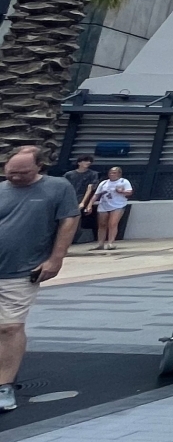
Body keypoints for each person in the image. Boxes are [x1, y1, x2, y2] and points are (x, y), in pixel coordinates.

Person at [0, 146, 79, 412]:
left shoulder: (58, 187)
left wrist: (56, 258)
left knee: (10, 327)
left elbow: (68, 221)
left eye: (22, 172)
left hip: (22, 269)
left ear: (39, 167)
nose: (15, 177)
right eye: (10, 172)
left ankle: (4, 386)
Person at [89, 165, 133, 250]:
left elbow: (130, 192)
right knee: (102, 224)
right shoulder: (104, 183)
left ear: (119, 174)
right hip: (104, 204)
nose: (112, 174)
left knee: (112, 223)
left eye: (114, 173)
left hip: (118, 205)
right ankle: (100, 243)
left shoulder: (124, 181)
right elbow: (96, 194)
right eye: (110, 173)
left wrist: (121, 191)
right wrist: (90, 205)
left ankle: (110, 242)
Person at [64, 153, 100, 243]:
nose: (88, 163)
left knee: (76, 218)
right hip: (70, 197)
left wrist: (83, 202)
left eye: (89, 161)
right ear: (79, 162)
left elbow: (90, 188)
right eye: (85, 161)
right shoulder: (69, 174)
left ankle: (73, 238)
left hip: (81, 197)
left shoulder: (92, 174)